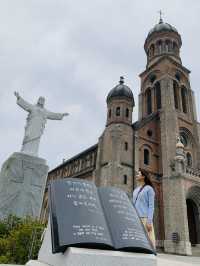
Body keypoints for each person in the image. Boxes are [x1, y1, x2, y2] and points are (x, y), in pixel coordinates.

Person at [133, 168, 156, 248]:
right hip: (136, 218)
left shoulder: (149, 189)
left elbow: (151, 206)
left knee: (149, 242)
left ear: (143, 177)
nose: (137, 175)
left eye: (138, 174)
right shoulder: (135, 190)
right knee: (137, 240)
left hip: (145, 219)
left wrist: (149, 221)